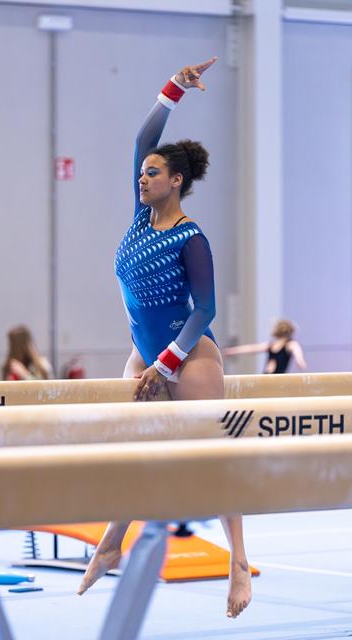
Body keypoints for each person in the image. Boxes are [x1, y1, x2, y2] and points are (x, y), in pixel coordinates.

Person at [78, 58, 251, 618]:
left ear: (176, 181)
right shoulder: (137, 218)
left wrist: (170, 362)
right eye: (142, 172)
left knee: (212, 457)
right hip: (145, 353)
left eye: (153, 173)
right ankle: (111, 541)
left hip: (190, 354)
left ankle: (239, 561)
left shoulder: (191, 237)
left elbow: (204, 309)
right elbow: (143, 136)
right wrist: (175, 87)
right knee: (135, 449)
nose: (142, 177)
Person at [223, 319, 307, 373]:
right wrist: (300, 362)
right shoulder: (273, 345)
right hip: (268, 377)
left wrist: (232, 351)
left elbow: (252, 348)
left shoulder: (289, 344)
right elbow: (251, 349)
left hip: (276, 379)